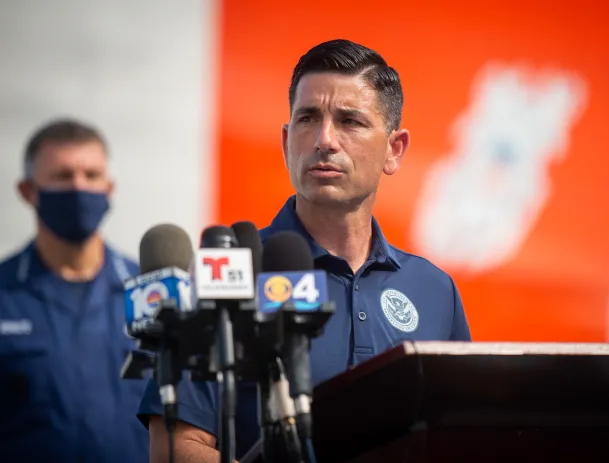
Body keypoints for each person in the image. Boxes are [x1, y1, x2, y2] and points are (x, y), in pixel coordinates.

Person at [138, 39, 472, 462]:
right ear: (285, 141)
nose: (325, 140)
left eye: (350, 121)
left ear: (394, 149)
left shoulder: (434, 289)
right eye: (308, 119)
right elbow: (174, 447)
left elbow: (459, 436)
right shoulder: (226, 272)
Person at [0, 119, 149, 462]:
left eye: (92, 176)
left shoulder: (150, 291)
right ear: (28, 191)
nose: (79, 187)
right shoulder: (5, 293)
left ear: (109, 188)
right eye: (63, 176)